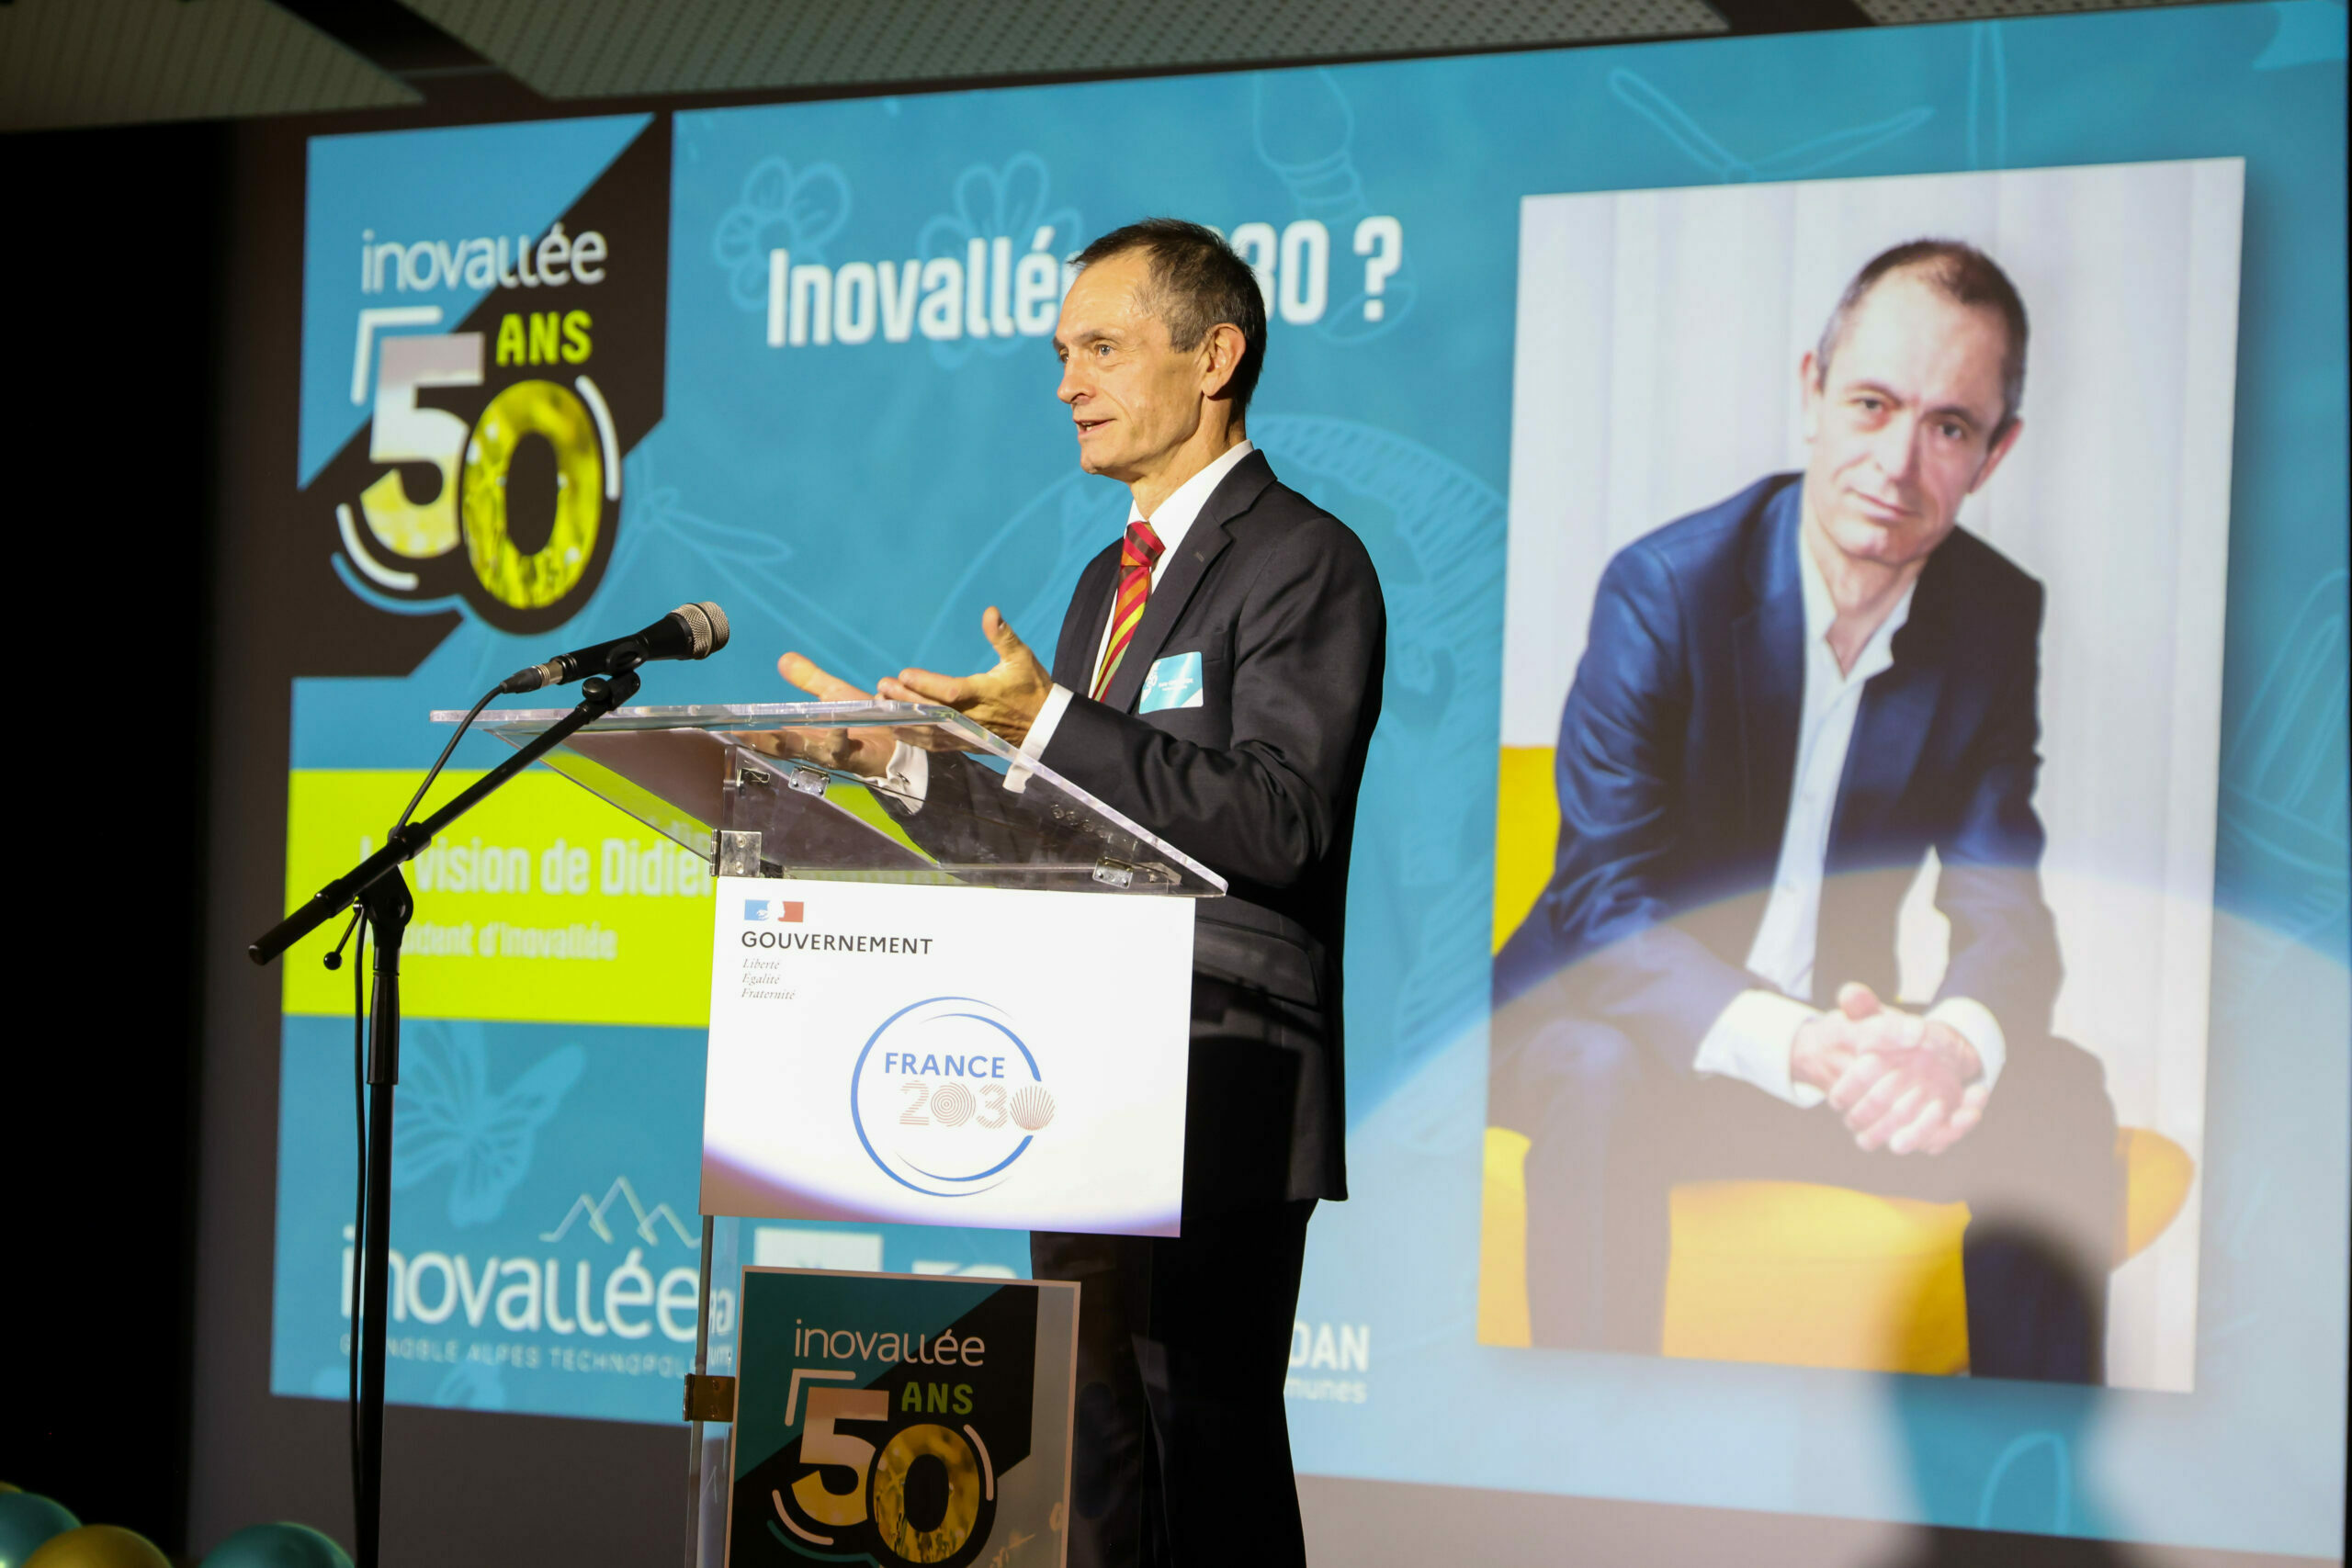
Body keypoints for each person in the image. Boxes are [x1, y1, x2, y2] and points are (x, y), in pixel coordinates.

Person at [762, 219, 1385, 1564]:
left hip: (1218, 1077)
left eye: (1100, 348)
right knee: (1099, 1474)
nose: (1066, 383)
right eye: (1061, 353)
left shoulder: (1302, 558)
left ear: (1214, 356)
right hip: (1085, 1074)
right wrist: (898, 767)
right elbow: (1076, 832)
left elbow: (1280, 820)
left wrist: (1047, 719)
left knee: (1204, 1475)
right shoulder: (1110, 579)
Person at [1491, 239, 2120, 1382]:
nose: (1896, 462)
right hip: (1626, 1030)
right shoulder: (1667, 588)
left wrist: (1942, 1046)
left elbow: (2005, 911)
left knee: (2059, 1090)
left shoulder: (1992, 616)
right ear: (1812, 393)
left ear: (1995, 453)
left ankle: (2030, 1472)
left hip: (1837, 1065)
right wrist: (1802, 1044)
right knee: (1592, 1066)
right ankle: (1589, 1455)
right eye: (1871, 404)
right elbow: (1601, 907)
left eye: (1948, 427)